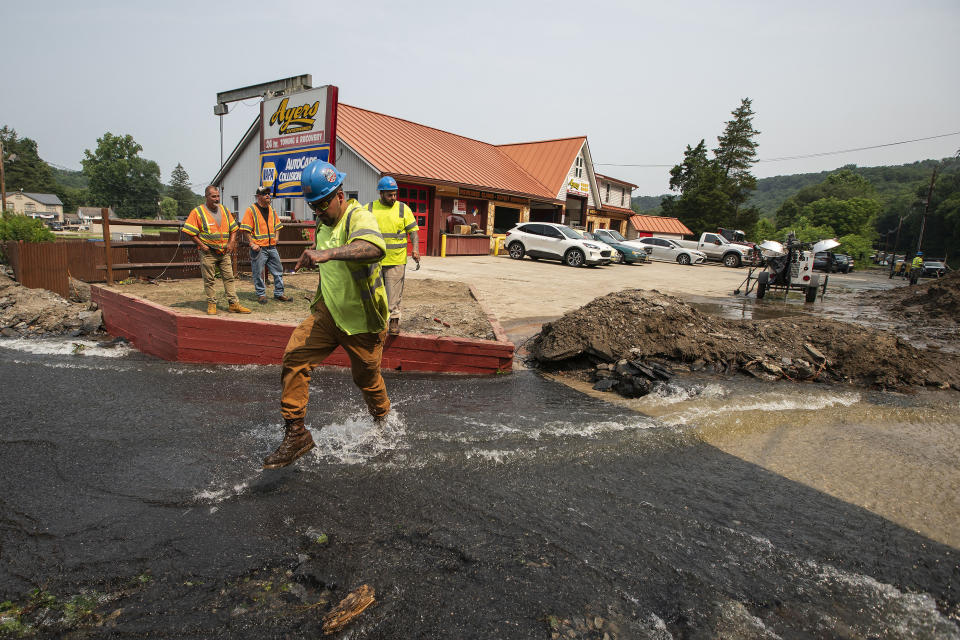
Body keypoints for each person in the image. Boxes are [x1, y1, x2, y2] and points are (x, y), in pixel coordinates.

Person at [263, 160, 391, 470]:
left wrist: (326, 253)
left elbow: (374, 248)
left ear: (340, 195)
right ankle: (296, 434)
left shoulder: (359, 216)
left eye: (323, 205)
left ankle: (384, 421)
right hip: (328, 313)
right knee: (295, 356)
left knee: (366, 378)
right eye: (313, 208)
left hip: (362, 321)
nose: (318, 213)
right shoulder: (323, 223)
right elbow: (328, 265)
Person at [182, 186, 251, 315]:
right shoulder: (198, 212)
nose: (217, 199)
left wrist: (231, 242)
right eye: (214, 196)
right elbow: (189, 232)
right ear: (206, 197)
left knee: (229, 278)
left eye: (218, 196)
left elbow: (234, 228)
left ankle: (233, 304)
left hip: (224, 252)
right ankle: (212, 304)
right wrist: (201, 245)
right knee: (209, 279)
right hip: (208, 252)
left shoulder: (224, 210)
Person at [366, 177, 420, 335]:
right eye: (390, 195)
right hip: (374, 260)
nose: (394, 198)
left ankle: (394, 321)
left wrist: (415, 249)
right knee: (374, 293)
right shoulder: (369, 209)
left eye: (395, 194)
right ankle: (376, 322)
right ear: (381, 194)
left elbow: (413, 231)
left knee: (393, 295)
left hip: (396, 260)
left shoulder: (403, 209)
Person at [240, 186, 292, 304]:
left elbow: (277, 226)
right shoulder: (251, 210)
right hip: (259, 249)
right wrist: (252, 244)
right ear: (258, 196)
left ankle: (279, 293)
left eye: (269, 193)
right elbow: (245, 229)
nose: (268, 195)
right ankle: (261, 295)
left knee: (278, 271)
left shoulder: (272, 210)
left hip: (271, 247)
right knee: (258, 272)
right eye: (264, 194)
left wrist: (277, 237)